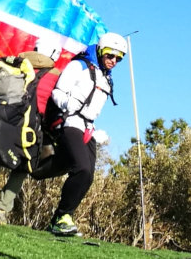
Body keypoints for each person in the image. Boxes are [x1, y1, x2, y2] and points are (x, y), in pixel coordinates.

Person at [0, 37, 62, 225]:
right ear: (54, 54)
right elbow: (47, 107)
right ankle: (0, 211)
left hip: (5, 120)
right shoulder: (54, 75)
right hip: (28, 128)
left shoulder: (16, 65)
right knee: (23, 167)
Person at [44, 32, 126, 236]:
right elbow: (58, 93)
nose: (114, 61)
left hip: (88, 127)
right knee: (81, 169)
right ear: (100, 51)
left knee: (88, 174)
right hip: (69, 121)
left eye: (119, 58)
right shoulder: (78, 66)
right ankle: (62, 216)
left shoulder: (106, 77)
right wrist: (68, 104)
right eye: (110, 56)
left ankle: (61, 218)